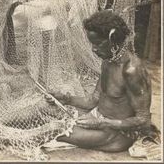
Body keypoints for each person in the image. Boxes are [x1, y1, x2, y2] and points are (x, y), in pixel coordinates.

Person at [47, 10, 155, 152]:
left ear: (113, 40)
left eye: (97, 43)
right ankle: (8, 131)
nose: (93, 49)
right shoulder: (108, 61)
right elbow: (92, 101)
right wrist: (65, 99)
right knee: (45, 109)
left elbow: (143, 119)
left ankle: (9, 136)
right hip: (97, 120)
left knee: (52, 129)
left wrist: (102, 122)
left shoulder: (132, 70)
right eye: (92, 43)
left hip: (114, 133)